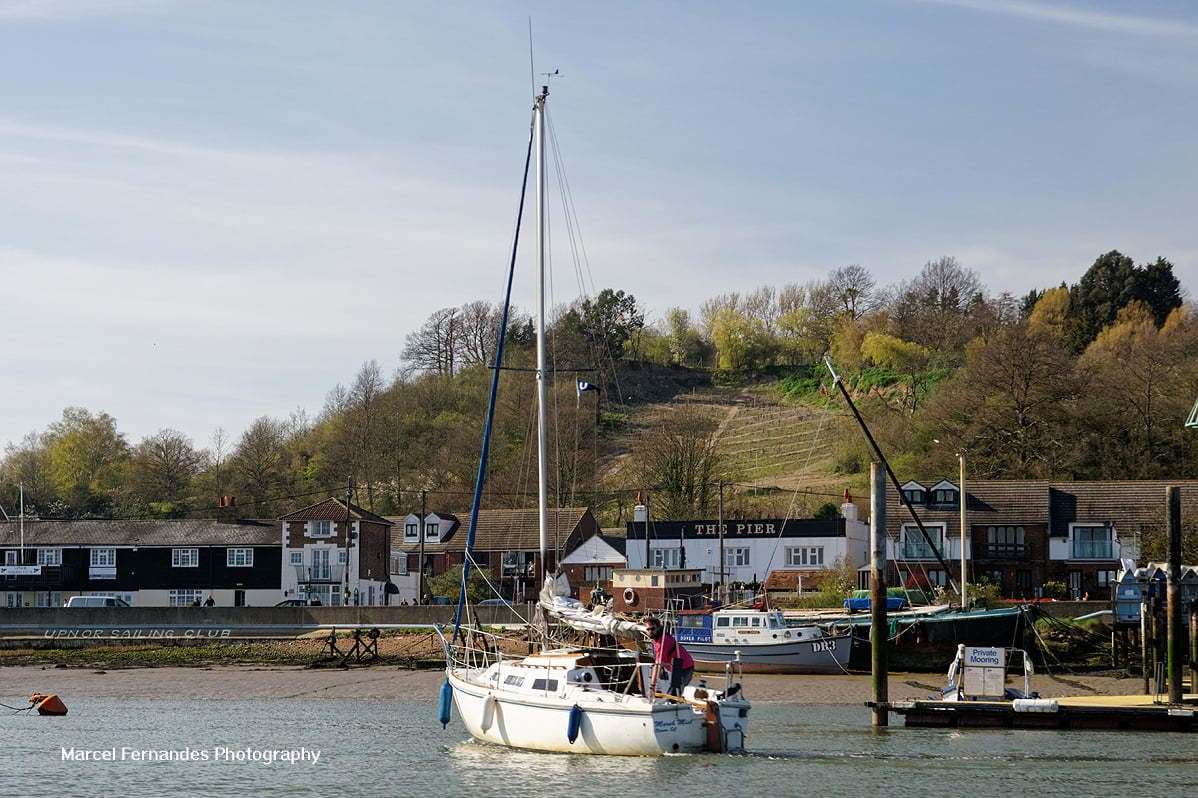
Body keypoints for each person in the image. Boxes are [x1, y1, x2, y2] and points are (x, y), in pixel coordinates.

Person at [644, 617, 694, 697]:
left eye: (652, 629)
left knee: (673, 696)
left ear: (658, 628)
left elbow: (658, 665)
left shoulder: (662, 642)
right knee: (671, 692)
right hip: (675, 667)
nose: (650, 632)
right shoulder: (657, 639)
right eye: (648, 629)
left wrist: (652, 686)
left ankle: (676, 704)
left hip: (684, 668)